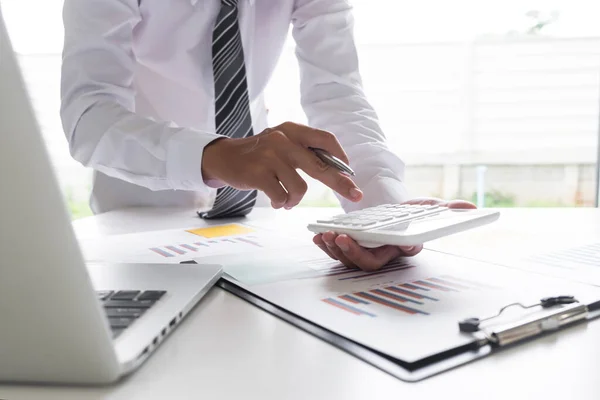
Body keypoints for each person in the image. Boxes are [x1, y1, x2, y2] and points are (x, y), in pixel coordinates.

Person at [60, 0, 474, 271]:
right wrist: (214, 155)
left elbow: (337, 94)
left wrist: (382, 212)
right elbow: (89, 115)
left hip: (251, 224)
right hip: (138, 218)